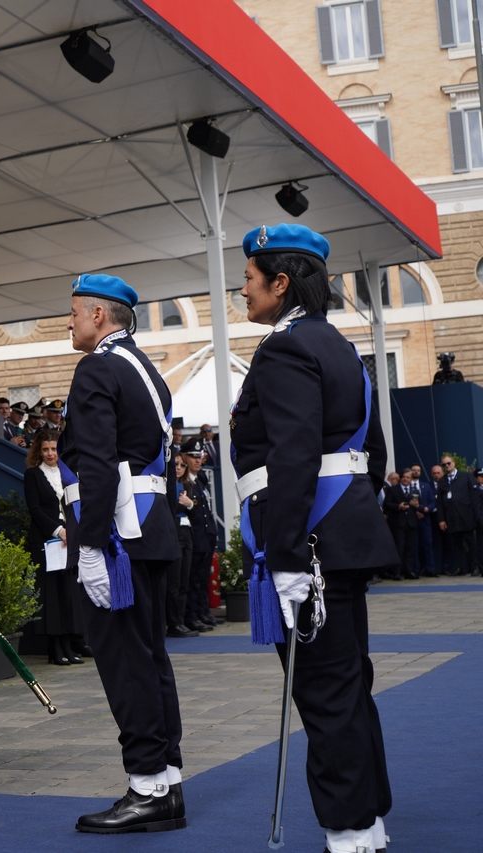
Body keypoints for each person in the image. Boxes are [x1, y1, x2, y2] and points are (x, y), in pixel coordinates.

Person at [231, 224, 397, 853]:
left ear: (280, 283)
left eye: (250, 278)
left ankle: (348, 829)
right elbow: (373, 452)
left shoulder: (284, 349)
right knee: (350, 684)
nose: (243, 290)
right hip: (342, 534)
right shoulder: (340, 346)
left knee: (324, 692)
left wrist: (288, 554)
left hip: (308, 543)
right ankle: (369, 818)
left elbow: (293, 454)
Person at [60, 273, 184, 834]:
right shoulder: (143, 368)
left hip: (116, 538)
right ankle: (166, 781)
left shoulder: (97, 368)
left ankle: (146, 785)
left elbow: (97, 462)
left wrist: (89, 545)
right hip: (148, 530)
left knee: (126, 664)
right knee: (150, 659)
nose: (69, 323)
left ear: (99, 316)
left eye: (74, 313)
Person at [23, 429, 87, 665]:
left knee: (68, 593)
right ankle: (55, 648)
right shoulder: (33, 475)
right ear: (38, 452)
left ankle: (70, 645)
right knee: (51, 596)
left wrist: (74, 531)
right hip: (46, 541)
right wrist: (59, 530)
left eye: (54, 449)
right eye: (46, 449)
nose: (50, 453)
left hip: (70, 540)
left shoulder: (68, 474)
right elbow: (35, 509)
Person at [180, 438, 218, 633]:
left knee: (203, 577)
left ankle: (202, 611)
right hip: (194, 535)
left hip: (206, 533)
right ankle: (191, 615)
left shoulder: (200, 478)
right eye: (192, 456)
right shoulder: (184, 481)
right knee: (193, 578)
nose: (197, 460)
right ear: (184, 457)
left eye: (199, 456)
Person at [166, 455, 198, 638]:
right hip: (174, 533)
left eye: (182, 465)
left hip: (187, 533)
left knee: (185, 580)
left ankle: (180, 619)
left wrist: (190, 504)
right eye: (176, 464)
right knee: (174, 582)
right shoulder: (169, 486)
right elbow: (172, 509)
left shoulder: (187, 485)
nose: (179, 467)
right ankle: (173, 622)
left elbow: (196, 510)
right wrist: (185, 504)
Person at [436, 455, 478, 577]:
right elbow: (440, 503)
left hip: (466, 516)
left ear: (453, 463)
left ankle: (475, 567)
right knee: (456, 544)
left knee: (471, 542)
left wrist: (475, 514)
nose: (446, 466)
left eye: (448, 463)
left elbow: (474, 496)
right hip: (452, 518)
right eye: (444, 464)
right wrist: (441, 519)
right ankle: (460, 567)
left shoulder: (466, 476)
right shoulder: (442, 481)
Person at [383, 469, 420, 581]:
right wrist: (398, 506)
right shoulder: (393, 489)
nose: (405, 479)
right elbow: (386, 504)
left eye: (408, 477)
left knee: (410, 548)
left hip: (411, 523)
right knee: (399, 548)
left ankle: (408, 571)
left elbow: (420, 504)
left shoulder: (414, 490)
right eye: (404, 477)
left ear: (411, 479)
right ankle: (397, 572)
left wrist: (417, 505)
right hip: (398, 523)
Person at [410, 463, 437, 577]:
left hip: (425, 520)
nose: (416, 472)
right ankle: (415, 569)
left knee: (428, 544)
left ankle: (430, 569)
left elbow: (433, 502)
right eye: (414, 470)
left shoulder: (426, 486)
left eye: (418, 470)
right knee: (414, 545)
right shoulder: (407, 486)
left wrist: (426, 509)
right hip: (412, 520)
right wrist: (415, 512)